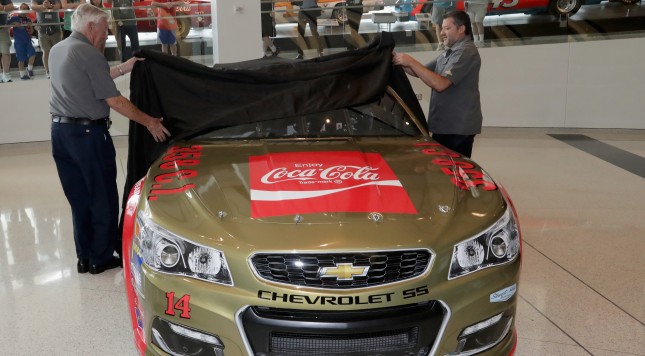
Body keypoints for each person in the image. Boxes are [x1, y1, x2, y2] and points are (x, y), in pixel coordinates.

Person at [49, 3, 170, 274]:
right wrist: (149, 122)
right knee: (102, 196)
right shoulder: (89, 53)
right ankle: (101, 258)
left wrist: (125, 68)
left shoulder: (59, 50)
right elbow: (114, 100)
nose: (108, 34)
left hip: (60, 134)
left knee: (79, 198)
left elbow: (89, 80)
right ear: (91, 26)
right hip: (88, 135)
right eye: (105, 29)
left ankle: (84, 257)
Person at [393, 10, 482, 158]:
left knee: (453, 174)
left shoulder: (466, 52)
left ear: (461, 29)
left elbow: (440, 84)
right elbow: (418, 72)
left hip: (457, 129)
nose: (441, 33)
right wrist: (398, 60)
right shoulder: (449, 52)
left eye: (447, 28)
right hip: (446, 127)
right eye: (442, 28)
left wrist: (410, 61)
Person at [32, 0, 63, 78]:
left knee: (57, 52)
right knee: (46, 51)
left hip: (56, 30)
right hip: (42, 31)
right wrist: (43, 6)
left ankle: (58, 70)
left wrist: (50, 6)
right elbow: (33, 6)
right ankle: (48, 71)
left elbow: (59, 6)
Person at [8, 3, 37, 79]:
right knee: (21, 59)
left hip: (27, 40)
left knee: (32, 54)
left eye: (24, 8)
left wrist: (30, 26)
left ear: (27, 11)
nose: (22, 9)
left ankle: (29, 68)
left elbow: (31, 32)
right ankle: (22, 75)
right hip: (19, 42)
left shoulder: (28, 19)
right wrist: (13, 23)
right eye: (21, 8)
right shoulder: (14, 18)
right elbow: (6, 24)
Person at [0, 0, 15, 82]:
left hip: (3, 29)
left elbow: (11, 7)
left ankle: (6, 73)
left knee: (5, 52)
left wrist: (3, 7)